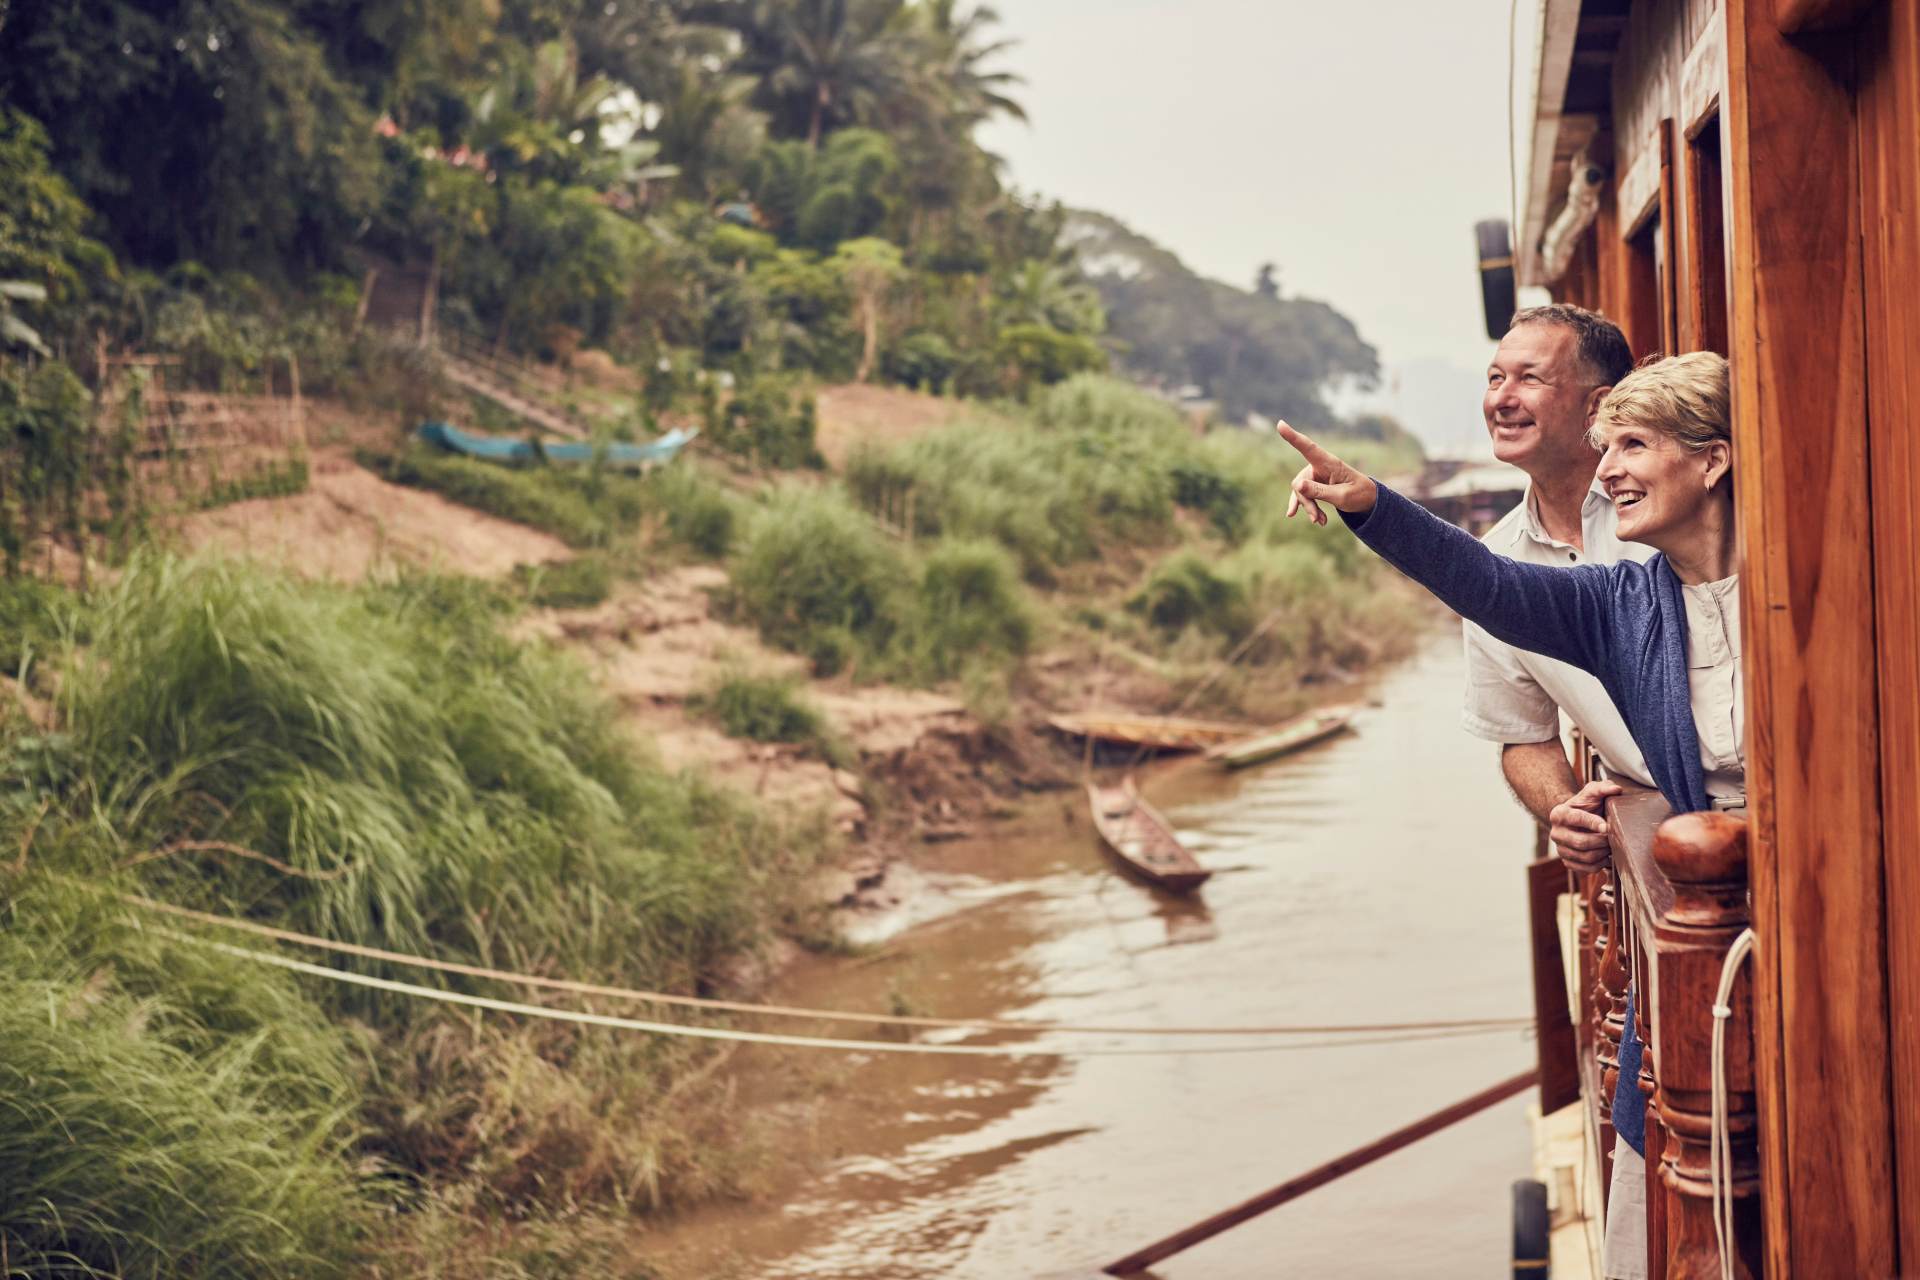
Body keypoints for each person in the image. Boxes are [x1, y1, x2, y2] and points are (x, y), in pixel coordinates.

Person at [1278, 350, 1740, 1280]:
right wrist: (1371, 505)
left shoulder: (1817, 572)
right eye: (1606, 447)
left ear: (1713, 462)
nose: (1608, 471)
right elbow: (1490, 586)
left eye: (1634, 445)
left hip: (1830, 915)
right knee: (1669, 1147)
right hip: (1715, 936)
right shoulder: (1621, 602)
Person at [1469, 306, 1655, 870]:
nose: (1502, 398)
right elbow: (1523, 733)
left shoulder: (1669, 511)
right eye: (1496, 377)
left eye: (1530, 378)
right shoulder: (1494, 564)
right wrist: (1564, 809)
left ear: (1596, 405)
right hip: (1651, 842)